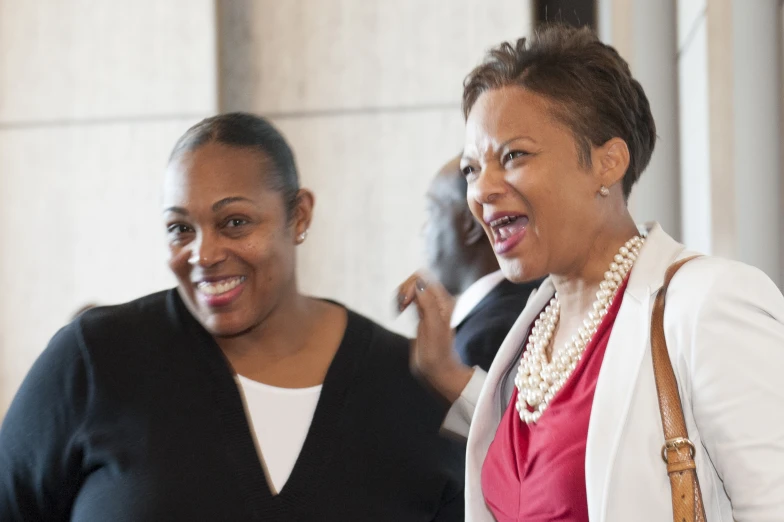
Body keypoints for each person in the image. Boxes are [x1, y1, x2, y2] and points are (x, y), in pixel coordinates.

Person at [398, 25, 784, 522]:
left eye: (513, 155)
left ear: (608, 163)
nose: (483, 189)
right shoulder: (528, 344)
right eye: (472, 169)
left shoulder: (709, 305)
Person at [0, 113, 465, 521]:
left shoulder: (407, 382)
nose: (203, 254)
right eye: (180, 229)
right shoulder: (96, 359)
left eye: (235, 222)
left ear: (298, 216)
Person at [423, 155, 540, 371]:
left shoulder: (488, 337)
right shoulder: (530, 299)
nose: (424, 230)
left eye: (431, 212)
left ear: (470, 225)